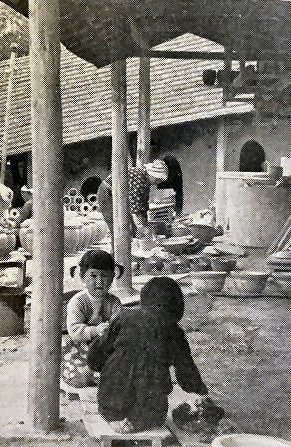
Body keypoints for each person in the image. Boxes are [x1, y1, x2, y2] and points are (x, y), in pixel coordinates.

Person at [87, 277, 208, 433]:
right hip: (146, 406)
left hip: (110, 400)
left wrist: (97, 369)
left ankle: (116, 418)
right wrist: (201, 392)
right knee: (155, 411)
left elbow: (96, 355)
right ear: (176, 307)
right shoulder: (174, 330)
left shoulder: (123, 317)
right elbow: (186, 372)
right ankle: (135, 422)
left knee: (120, 373)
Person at [61, 250, 123, 388]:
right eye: (93, 275)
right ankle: (89, 374)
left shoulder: (114, 302)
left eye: (105, 275)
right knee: (76, 375)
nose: (99, 281)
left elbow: (119, 327)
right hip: (81, 347)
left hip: (106, 348)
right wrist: (96, 330)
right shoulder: (77, 302)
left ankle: (103, 374)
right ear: (83, 277)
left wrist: (112, 331)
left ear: (113, 277)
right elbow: (75, 331)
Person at [96, 159, 169, 248]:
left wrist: (145, 224)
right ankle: (117, 255)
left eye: (159, 181)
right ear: (151, 174)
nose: (157, 183)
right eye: (157, 180)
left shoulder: (145, 180)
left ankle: (133, 250)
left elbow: (143, 205)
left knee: (132, 227)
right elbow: (135, 209)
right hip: (107, 193)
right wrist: (142, 227)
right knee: (117, 227)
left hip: (118, 196)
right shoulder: (139, 179)